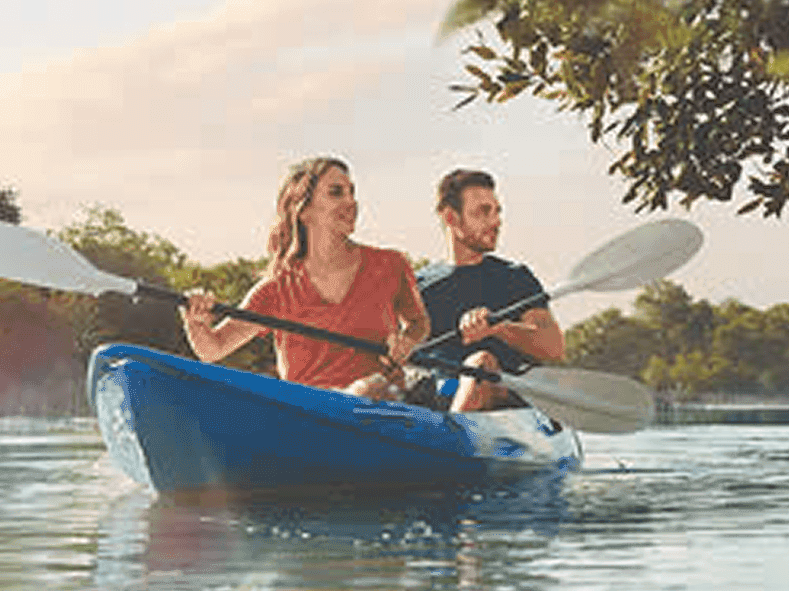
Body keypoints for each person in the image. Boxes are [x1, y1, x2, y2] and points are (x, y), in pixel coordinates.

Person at [180, 156, 429, 398]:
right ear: (303, 209)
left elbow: (419, 322)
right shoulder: (276, 289)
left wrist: (407, 341)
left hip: (381, 404)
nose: (351, 202)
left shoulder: (391, 265)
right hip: (310, 412)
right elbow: (213, 349)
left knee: (372, 389)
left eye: (352, 192)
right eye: (336, 192)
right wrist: (196, 323)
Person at [417, 168, 564, 413]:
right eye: (484, 212)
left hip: (499, 397)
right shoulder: (418, 285)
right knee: (372, 384)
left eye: (497, 212)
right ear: (451, 217)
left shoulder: (515, 277)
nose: (496, 222)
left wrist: (499, 328)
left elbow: (553, 347)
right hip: (438, 395)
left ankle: (453, 434)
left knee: (480, 363)